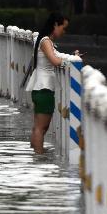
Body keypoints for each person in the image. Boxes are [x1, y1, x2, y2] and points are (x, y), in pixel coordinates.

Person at [26, 11, 81, 154]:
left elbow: (58, 55)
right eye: (63, 27)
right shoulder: (45, 41)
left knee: (39, 127)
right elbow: (55, 60)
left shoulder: (46, 41)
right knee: (41, 127)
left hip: (41, 88)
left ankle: (36, 155)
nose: (64, 31)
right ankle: (39, 157)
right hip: (44, 89)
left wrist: (72, 57)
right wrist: (70, 64)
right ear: (56, 25)